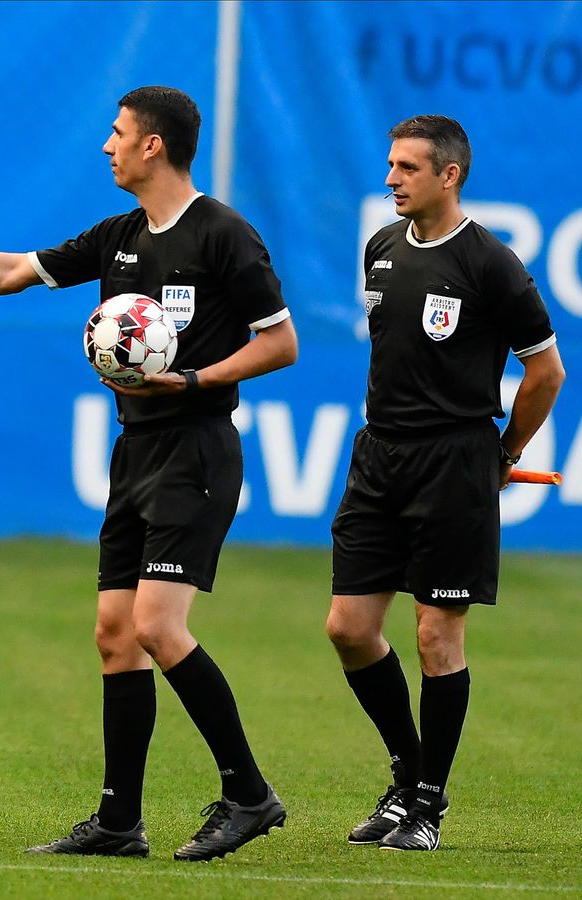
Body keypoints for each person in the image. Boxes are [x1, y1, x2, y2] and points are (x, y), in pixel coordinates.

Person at [0, 86, 298, 862]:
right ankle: (119, 822)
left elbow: (281, 342)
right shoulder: (119, 235)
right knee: (113, 635)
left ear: (153, 145)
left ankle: (249, 794)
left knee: (159, 628)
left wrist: (193, 381)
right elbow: (10, 272)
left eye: (118, 132)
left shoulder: (226, 235)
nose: (107, 145)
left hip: (197, 448)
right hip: (135, 452)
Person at [326, 115, 565, 852]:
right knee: (349, 629)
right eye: (390, 164)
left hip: (455, 463)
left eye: (406, 167)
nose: (391, 177)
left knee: (436, 635)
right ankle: (408, 772)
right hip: (378, 457)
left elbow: (546, 370)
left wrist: (504, 452)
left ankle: (427, 807)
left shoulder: (492, 263)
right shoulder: (382, 248)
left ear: (449, 175)